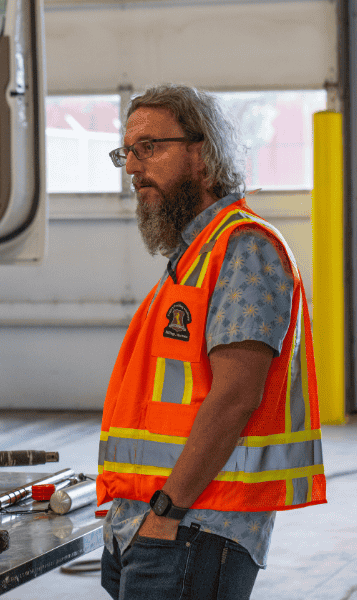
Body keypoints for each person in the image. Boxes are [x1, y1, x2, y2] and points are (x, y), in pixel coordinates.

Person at [96, 84, 326, 600]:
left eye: (149, 147)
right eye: (126, 152)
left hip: (194, 528)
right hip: (153, 525)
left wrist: (165, 511)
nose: (132, 167)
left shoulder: (244, 248)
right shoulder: (194, 256)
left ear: (202, 156)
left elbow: (235, 397)